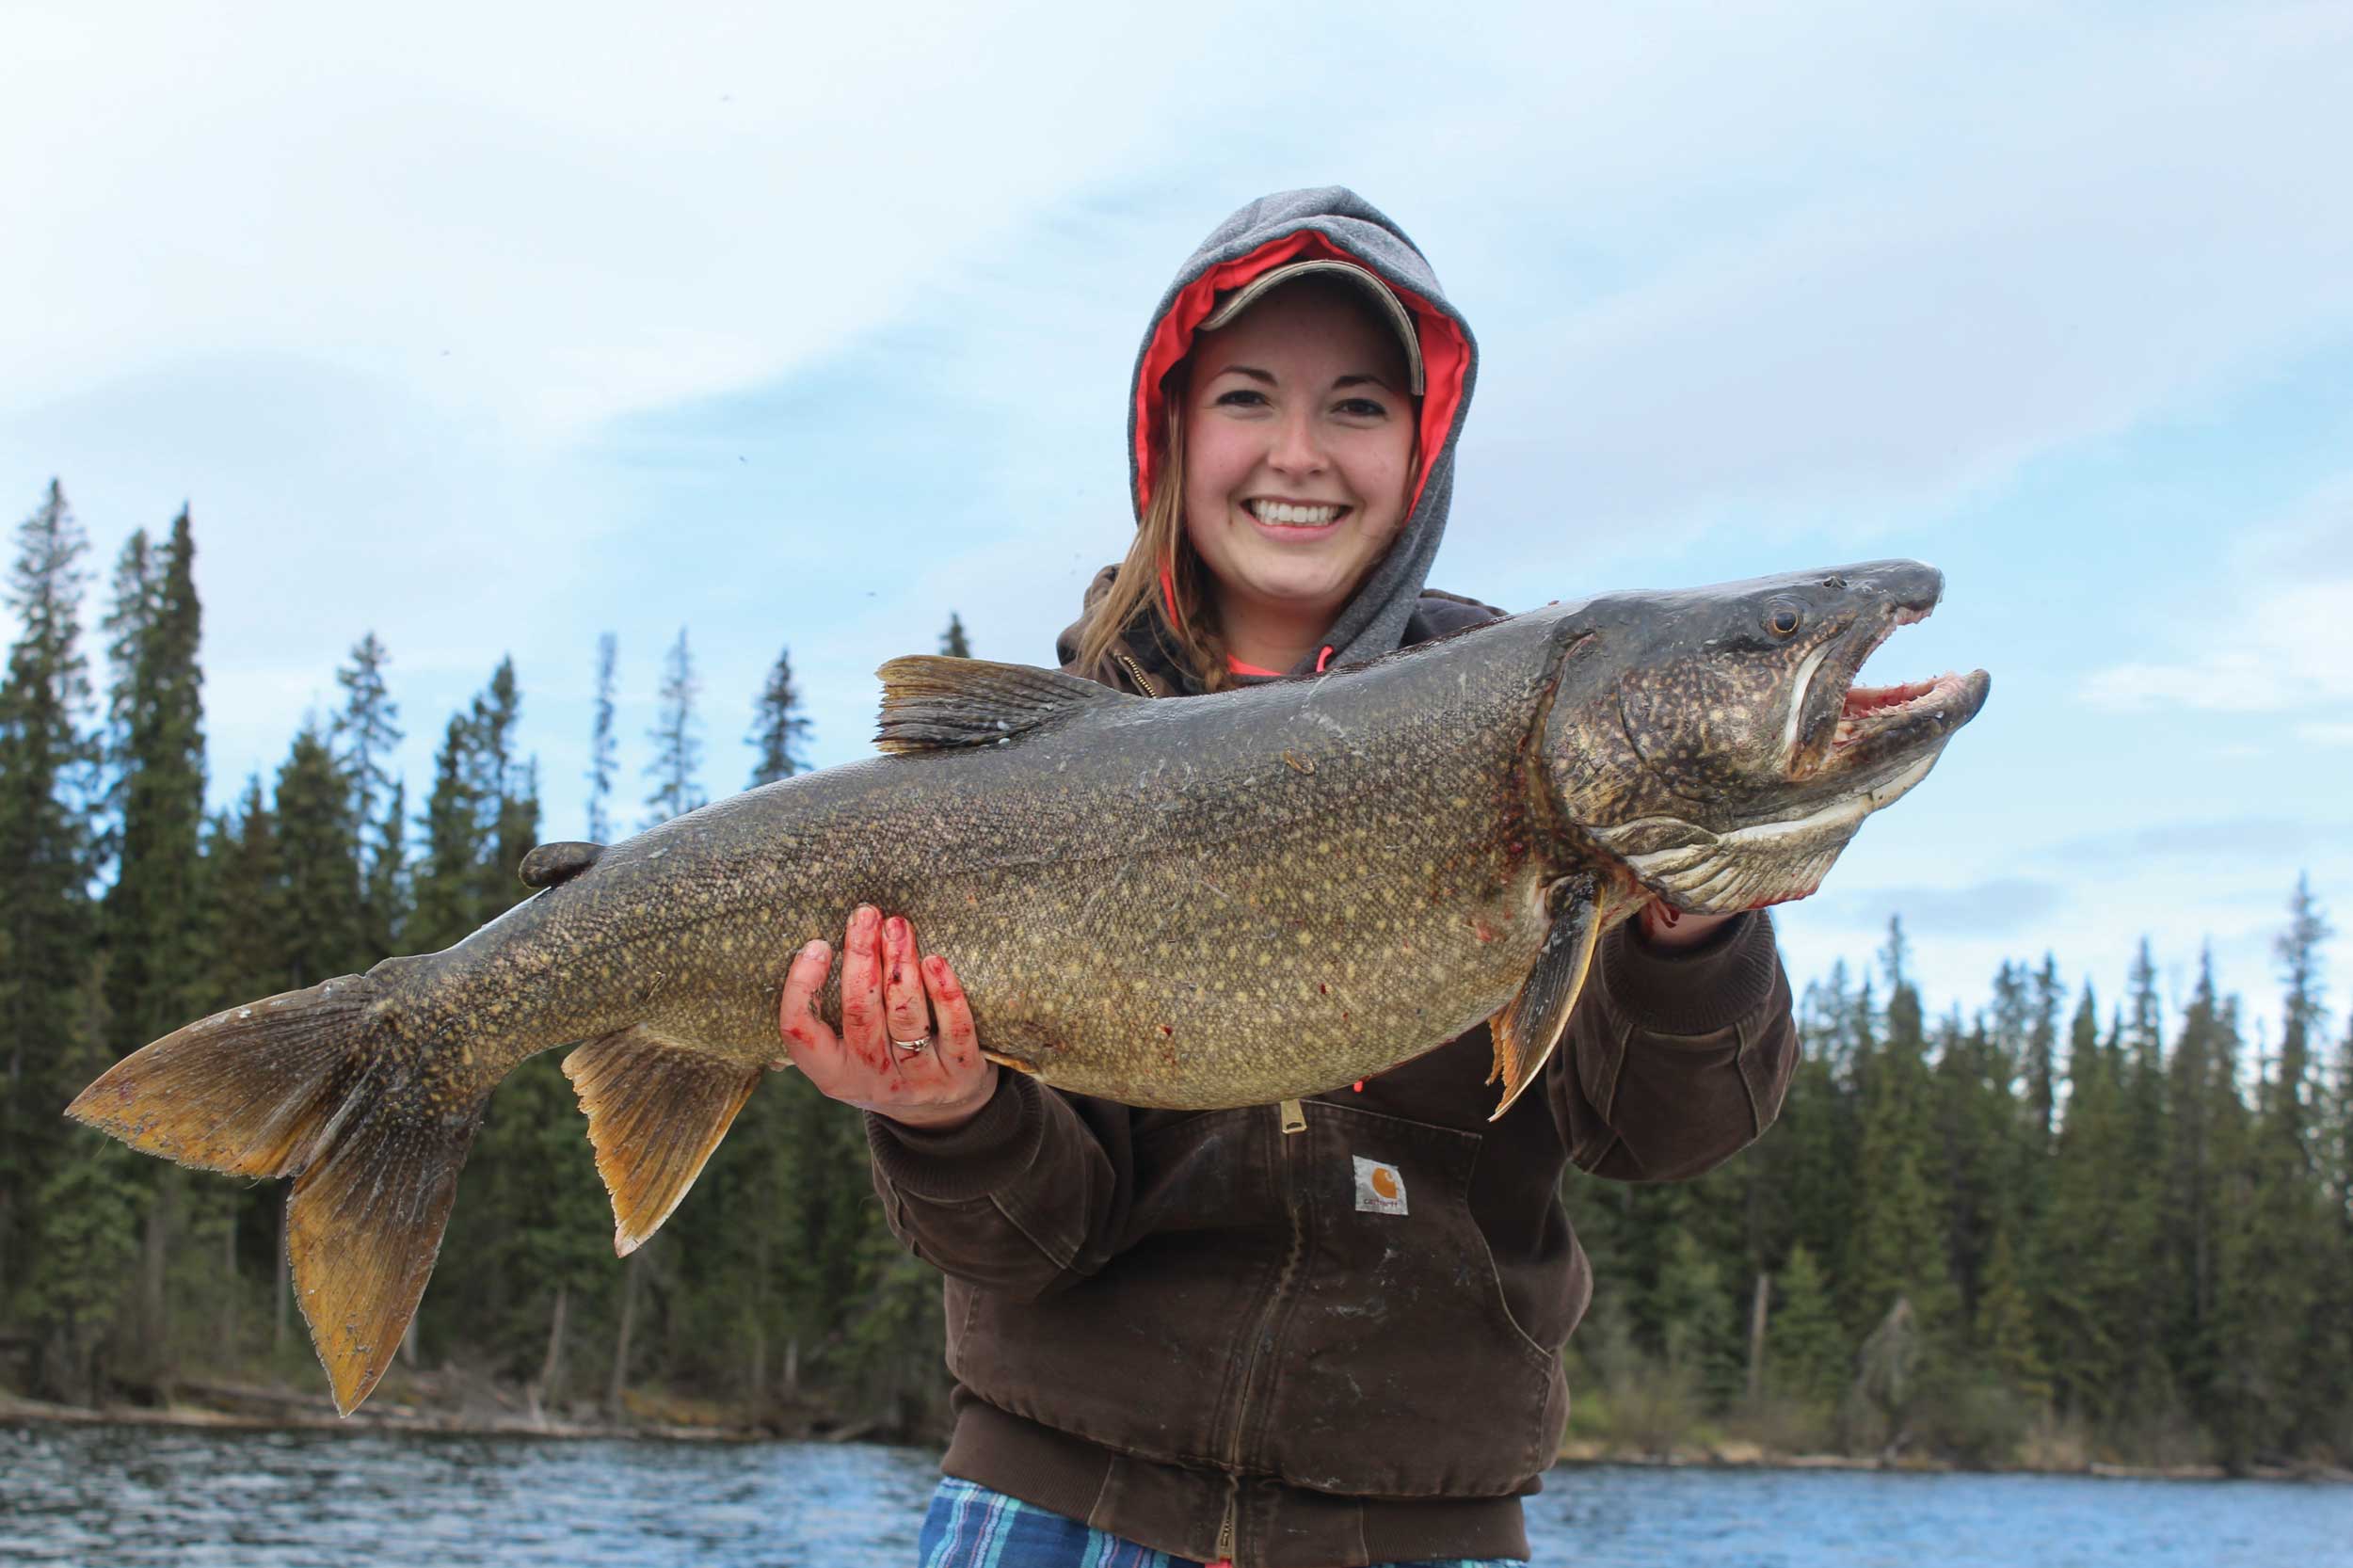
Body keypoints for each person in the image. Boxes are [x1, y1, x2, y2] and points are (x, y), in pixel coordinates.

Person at [777, 188, 1800, 1568]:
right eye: (1251, 397)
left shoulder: (1541, 730)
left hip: (1420, 1527)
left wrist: (1696, 937)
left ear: (1422, 446)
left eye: (1361, 408)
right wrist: (948, 1114)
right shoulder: (1044, 760)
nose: (1301, 454)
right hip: (1060, 1505)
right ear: (1175, 432)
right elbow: (1029, 1242)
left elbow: (1661, 1134)